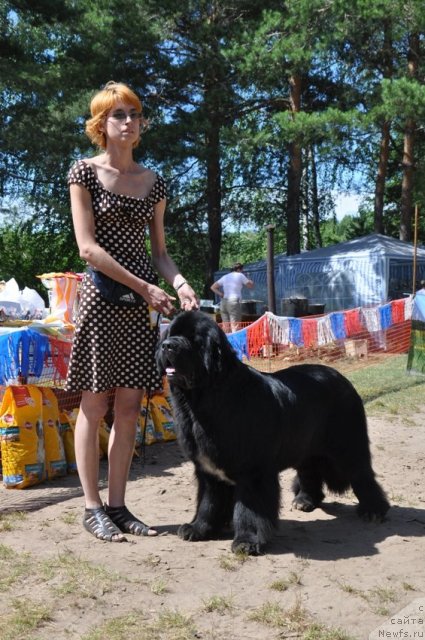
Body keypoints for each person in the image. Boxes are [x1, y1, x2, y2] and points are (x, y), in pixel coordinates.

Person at [66, 81, 198, 542]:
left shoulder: (154, 182)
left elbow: (159, 252)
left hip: (138, 306)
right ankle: (91, 506)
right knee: (94, 401)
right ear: (101, 124)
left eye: (134, 113)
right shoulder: (83, 173)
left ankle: (119, 506)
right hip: (102, 299)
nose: (127, 120)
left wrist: (179, 284)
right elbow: (87, 248)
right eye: (118, 114)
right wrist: (145, 288)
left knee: (128, 405)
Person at [210, 262, 254, 332]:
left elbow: (213, 287)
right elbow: (250, 286)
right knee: (235, 326)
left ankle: (226, 341)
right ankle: (235, 343)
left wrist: (221, 294)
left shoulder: (225, 276)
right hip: (233, 302)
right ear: (239, 269)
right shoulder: (240, 275)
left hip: (224, 302)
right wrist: (250, 280)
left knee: (226, 326)